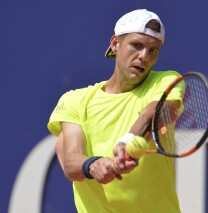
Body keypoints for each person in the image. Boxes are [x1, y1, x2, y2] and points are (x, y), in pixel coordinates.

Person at [48, 9, 182, 212]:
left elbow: (157, 113)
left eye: (153, 50)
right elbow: (70, 161)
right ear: (115, 44)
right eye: (136, 45)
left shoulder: (166, 81)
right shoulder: (75, 100)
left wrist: (128, 142)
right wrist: (93, 165)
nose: (144, 56)